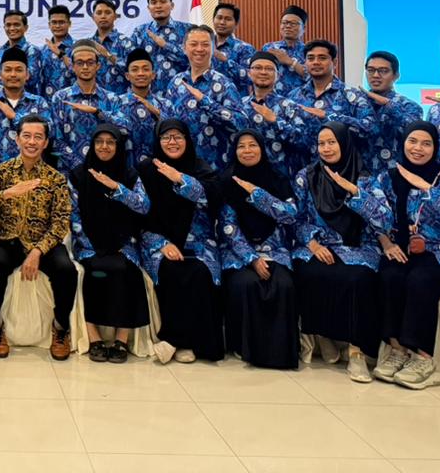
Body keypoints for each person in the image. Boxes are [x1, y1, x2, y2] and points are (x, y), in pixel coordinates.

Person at [355, 121, 440, 389]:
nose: (418, 148)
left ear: (435, 147)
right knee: (390, 276)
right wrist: (386, 243)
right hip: (400, 247)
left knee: (420, 279)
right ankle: (397, 350)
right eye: (412, 141)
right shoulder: (388, 177)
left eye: (426, 143)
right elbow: (374, 215)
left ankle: (423, 358)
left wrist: (428, 188)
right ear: (403, 143)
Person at [0, 115, 77, 360]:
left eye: (38, 137)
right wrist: (6, 194)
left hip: (44, 242)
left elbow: (61, 221)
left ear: (46, 143)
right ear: (17, 139)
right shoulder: (1, 171)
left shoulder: (56, 179)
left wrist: (37, 251)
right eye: (26, 136)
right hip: (7, 238)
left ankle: (61, 329)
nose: (32, 142)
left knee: (67, 270)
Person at [293, 122, 384, 383]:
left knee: (357, 279)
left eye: (332, 142)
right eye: (321, 143)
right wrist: (312, 244)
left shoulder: (364, 177)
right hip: (319, 243)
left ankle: (357, 352)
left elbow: (383, 219)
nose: (326, 148)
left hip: (357, 246)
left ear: (344, 143)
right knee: (310, 272)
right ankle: (325, 336)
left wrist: (355, 192)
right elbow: (295, 217)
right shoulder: (306, 176)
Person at [138, 119, 225, 364]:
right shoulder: (147, 169)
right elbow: (139, 214)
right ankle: (182, 342)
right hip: (159, 239)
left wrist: (180, 179)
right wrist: (161, 244)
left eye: (178, 137)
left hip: (199, 240)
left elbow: (213, 198)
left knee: (199, 272)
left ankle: (177, 341)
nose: (172, 142)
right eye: (166, 137)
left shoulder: (200, 167)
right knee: (171, 269)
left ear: (187, 140)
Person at [68, 122, 151, 363]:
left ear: (118, 146)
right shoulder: (78, 175)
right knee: (95, 270)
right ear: (92, 145)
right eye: (99, 142)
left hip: (124, 242)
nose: (104, 146)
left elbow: (144, 206)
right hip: (89, 244)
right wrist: (91, 244)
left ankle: (120, 340)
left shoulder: (130, 175)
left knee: (127, 270)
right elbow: (73, 215)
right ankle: (94, 338)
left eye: (110, 142)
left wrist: (117, 188)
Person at [218, 130, 299, 370]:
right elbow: (228, 227)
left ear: (262, 149)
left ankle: (279, 352)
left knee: (283, 285)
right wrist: (252, 258)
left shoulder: (277, 178)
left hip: (274, 248)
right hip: (238, 251)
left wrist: (257, 194)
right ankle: (246, 348)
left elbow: (290, 215)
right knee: (247, 284)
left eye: (252, 145)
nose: (247, 151)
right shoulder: (226, 181)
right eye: (241, 146)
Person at [158, 25, 249, 170]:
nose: (199, 49)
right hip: (180, 167)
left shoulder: (224, 84)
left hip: (215, 167)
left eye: (205, 44)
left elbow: (242, 123)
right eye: (194, 44)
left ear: (213, 49)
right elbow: (166, 122)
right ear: (184, 48)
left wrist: (206, 102)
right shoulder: (175, 82)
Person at [0, 46, 52, 173]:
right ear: (0, 74)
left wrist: (15, 117)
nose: (13, 74)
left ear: (27, 74)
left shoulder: (39, 103)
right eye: (8, 70)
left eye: (19, 70)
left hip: (32, 174)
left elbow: (47, 134)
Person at [53, 39, 126, 172]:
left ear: (98, 66)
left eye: (90, 62)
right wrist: (78, 166)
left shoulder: (111, 98)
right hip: (71, 171)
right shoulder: (61, 98)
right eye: (80, 63)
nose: (85, 67)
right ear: (73, 66)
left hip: (106, 170)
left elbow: (125, 129)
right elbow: (56, 139)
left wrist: (98, 112)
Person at [291, 40, 375, 149]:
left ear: (335, 62)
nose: (316, 62)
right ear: (305, 63)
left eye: (322, 58)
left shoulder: (352, 95)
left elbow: (371, 128)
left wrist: (329, 116)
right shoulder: (293, 96)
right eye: (310, 58)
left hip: (340, 159)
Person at [240, 50, 311, 176]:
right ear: (249, 73)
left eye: (269, 69)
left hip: (281, 176)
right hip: (245, 174)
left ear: (278, 75)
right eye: (258, 68)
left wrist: (275, 121)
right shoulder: (240, 105)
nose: (263, 72)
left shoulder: (288, 106)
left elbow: (304, 142)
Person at [361, 50, 423, 176]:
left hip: (398, 176)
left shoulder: (409, 106)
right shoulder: (357, 103)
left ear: (396, 75)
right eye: (371, 70)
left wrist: (388, 105)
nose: (376, 75)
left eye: (383, 71)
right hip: (362, 178)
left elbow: (416, 133)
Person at [130, 0, 191, 94]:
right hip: (149, 96)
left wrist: (165, 45)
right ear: (148, 8)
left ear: (172, 5)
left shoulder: (187, 30)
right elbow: (131, 64)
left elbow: (193, 60)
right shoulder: (140, 32)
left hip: (180, 94)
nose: (158, 6)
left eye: (163, 1)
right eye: (153, 2)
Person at [110, 48, 160, 166]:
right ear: (127, 76)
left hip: (158, 169)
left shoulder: (164, 104)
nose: (140, 73)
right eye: (135, 69)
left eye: (145, 69)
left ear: (153, 75)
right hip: (125, 168)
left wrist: (158, 114)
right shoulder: (115, 102)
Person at [260, 5, 310, 95]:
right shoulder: (269, 48)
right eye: (284, 23)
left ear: (304, 28)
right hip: (272, 98)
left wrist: (290, 62)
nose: (288, 26)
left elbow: (314, 77)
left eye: (293, 23)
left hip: (300, 99)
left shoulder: (309, 51)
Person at [0, 9, 45, 96]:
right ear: (4, 27)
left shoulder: (32, 50)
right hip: (2, 100)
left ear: (25, 28)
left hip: (27, 101)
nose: (12, 28)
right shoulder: (1, 51)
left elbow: (31, 79)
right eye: (8, 25)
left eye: (16, 25)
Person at [90, 0, 131, 93]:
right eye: (99, 13)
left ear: (115, 16)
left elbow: (133, 71)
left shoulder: (126, 42)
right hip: (94, 98)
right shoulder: (88, 44)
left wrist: (108, 55)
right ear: (93, 17)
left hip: (120, 98)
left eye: (107, 12)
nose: (103, 16)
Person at [211, 2, 254, 90]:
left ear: (236, 23)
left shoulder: (245, 48)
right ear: (213, 19)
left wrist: (226, 61)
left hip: (233, 97)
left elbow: (251, 77)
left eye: (228, 19)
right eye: (219, 18)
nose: (222, 22)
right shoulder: (204, 45)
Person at [38, 3, 76, 99]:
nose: (58, 26)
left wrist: (61, 54)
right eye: (54, 22)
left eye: (61, 22)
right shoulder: (42, 51)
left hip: (71, 102)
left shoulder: (78, 47)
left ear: (69, 24)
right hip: (46, 103)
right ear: (49, 25)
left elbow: (81, 72)